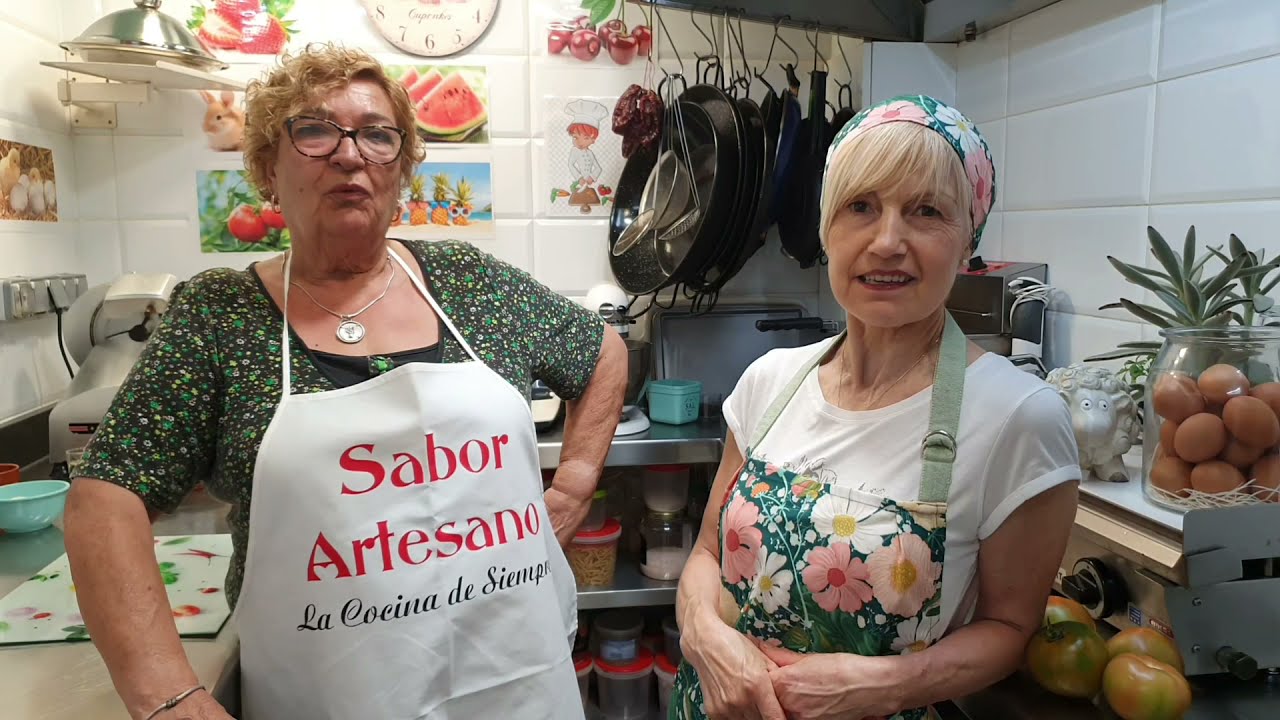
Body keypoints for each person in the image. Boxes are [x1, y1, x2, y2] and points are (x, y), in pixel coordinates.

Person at [63, 43, 627, 720]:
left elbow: (604, 352)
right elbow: (105, 500)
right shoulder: (220, 315)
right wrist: (170, 696)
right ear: (269, 169)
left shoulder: (472, 284)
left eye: (377, 135)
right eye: (315, 129)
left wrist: (571, 485)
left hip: (513, 683)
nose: (349, 153)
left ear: (401, 171)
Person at [669, 95, 1081, 720]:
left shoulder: (1019, 415)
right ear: (828, 229)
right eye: (861, 207)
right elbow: (705, 556)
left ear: (969, 238)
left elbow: (1007, 628)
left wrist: (889, 686)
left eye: (926, 212)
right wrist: (705, 639)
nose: (887, 242)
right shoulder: (767, 383)